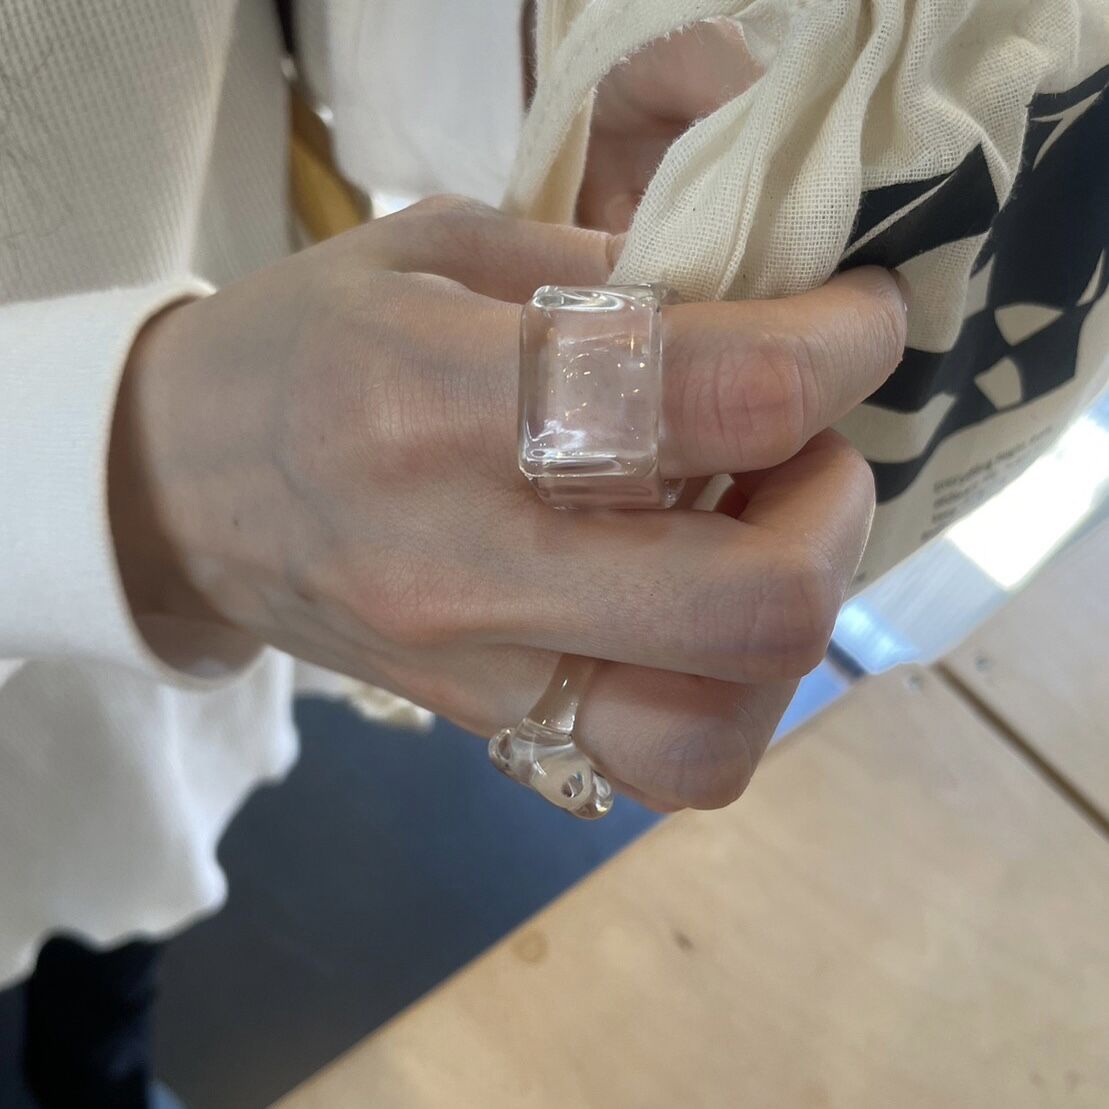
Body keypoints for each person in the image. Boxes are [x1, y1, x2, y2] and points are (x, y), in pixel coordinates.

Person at [10, 1, 1096, 1105]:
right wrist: (124, 474)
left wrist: (544, 61)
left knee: (116, 945)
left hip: (218, 528)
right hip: (209, 499)